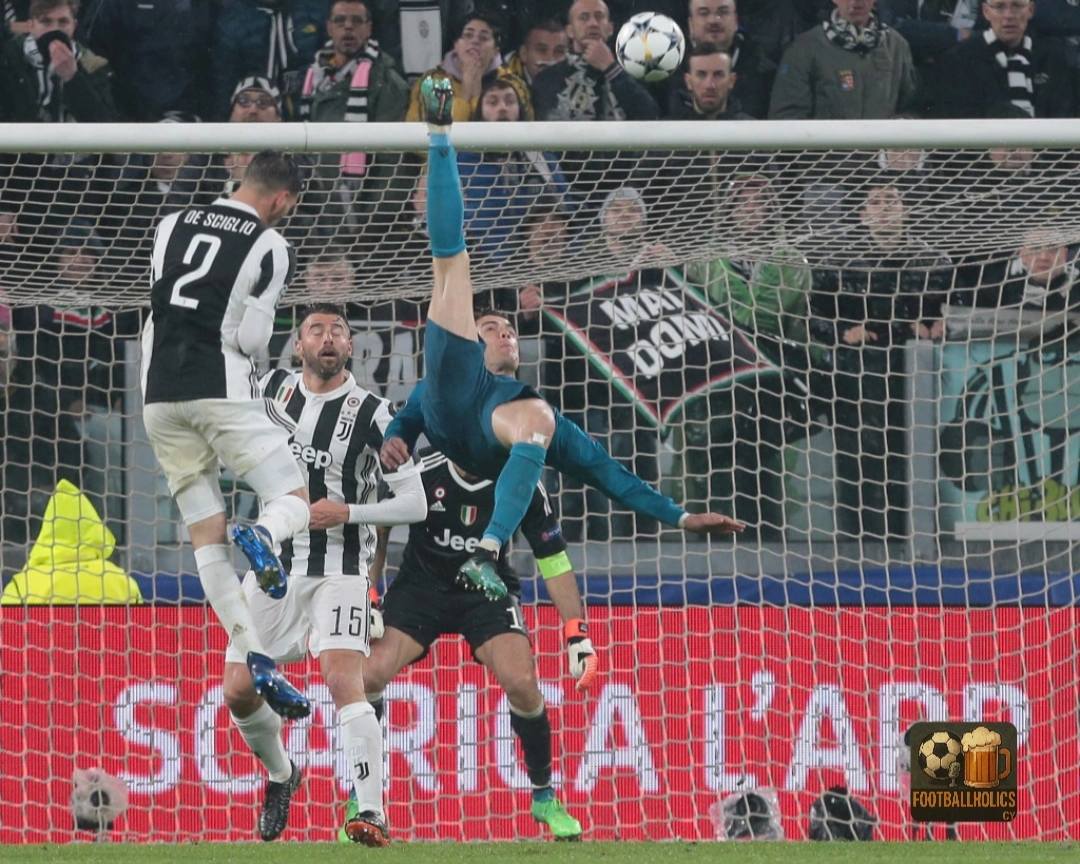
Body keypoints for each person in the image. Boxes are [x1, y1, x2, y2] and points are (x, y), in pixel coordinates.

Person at [380, 76, 743, 599]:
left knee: (541, 421)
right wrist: (396, 433)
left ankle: (489, 554)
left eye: (509, 328)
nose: (505, 332)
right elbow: (411, 412)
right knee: (453, 264)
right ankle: (441, 137)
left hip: (491, 438)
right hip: (453, 396)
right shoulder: (457, 366)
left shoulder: (533, 410)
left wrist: (681, 518)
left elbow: (610, 475)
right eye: (492, 328)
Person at [222, 303, 427, 845]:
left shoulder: (377, 415)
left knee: (342, 678)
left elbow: (416, 504)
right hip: (275, 565)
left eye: (338, 330)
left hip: (341, 568)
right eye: (316, 329)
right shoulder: (271, 391)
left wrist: (348, 512)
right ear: (299, 346)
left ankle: (371, 811)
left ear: (351, 347)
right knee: (238, 690)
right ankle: (282, 774)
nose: (328, 337)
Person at [141, 151, 313, 720]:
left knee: (205, 536)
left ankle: (255, 654)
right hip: (219, 388)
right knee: (292, 497)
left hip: (158, 396)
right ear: (281, 199)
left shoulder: (169, 224)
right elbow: (254, 340)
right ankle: (263, 533)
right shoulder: (271, 244)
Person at [353, 444, 590, 841]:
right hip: (421, 588)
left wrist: (576, 632)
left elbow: (553, 559)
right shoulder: (420, 468)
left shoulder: (520, 477)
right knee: (369, 674)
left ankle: (545, 796)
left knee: (522, 681)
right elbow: (377, 531)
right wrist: (369, 597)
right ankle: (362, 800)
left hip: (486, 589)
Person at [769, 0, 918, 119]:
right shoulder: (804, 48)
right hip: (825, 148)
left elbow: (912, 108)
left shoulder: (897, 46)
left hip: (881, 148)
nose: (856, 1)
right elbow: (786, 117)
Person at [925, 0, 1074, 118]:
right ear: (986, 12)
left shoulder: (1054, 58)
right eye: (999, 7)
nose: (1008, 15)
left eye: (1017, 6)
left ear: (1031, 10)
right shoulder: (958, 60)